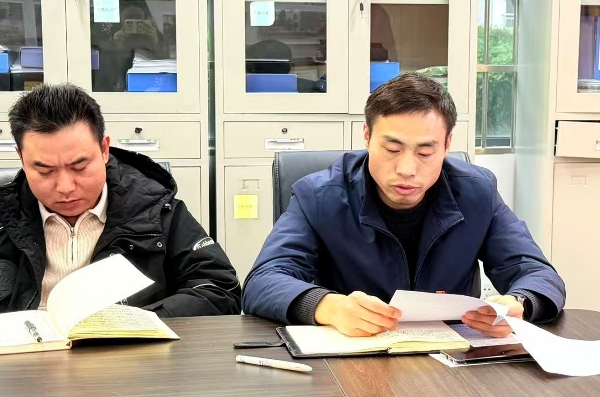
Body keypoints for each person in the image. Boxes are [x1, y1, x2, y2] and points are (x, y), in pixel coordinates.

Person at [0, 83, 241, 328]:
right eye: (44, 170)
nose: (65, 187)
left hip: (129, 372)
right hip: (15, 375)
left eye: (80, 166)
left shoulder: (154, 209)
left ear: (104, 149)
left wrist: (138, 323)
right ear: (21, 158)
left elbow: (218, 290)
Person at [242, 73, 565, 337]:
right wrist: (327, 307)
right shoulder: (319, 195)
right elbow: (263, 280)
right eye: (392, 149)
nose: (407, 169)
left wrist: (519, 304)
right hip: (353, 355)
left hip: (450, 356)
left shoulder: (476, 192)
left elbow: (535, 271)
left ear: (447, 145)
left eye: (425, 152)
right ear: (367, 136)